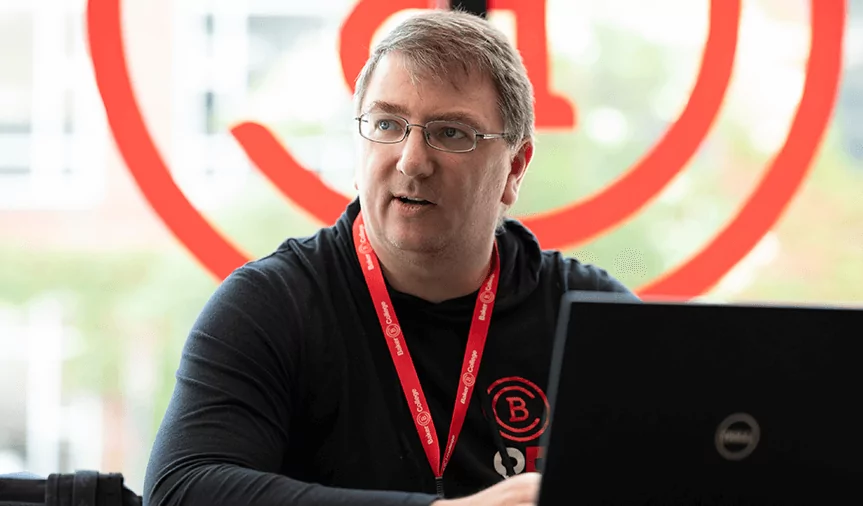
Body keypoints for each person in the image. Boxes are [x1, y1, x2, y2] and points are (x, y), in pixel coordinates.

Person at [143, 8, 637, 506]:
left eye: (451, 133)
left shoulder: (592, 316)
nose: (412, 161)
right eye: (387, 124)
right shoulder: (272, 305)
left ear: (514, 168)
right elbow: (182, 489)